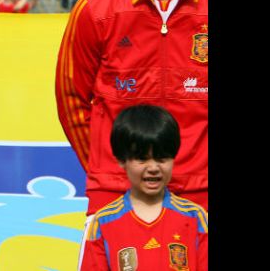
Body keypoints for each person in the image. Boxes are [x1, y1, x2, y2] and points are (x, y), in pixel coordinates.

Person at [55, 0, 208, 245]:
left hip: (203, 194)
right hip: (115, 194)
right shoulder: (96, 7)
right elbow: (71, 98)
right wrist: (112, 168)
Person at [80, 105, 208, 270]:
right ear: (121, 160)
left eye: (161, 158)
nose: (153, 167)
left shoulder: (196, 217)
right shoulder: (103, 222)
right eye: (142, 159)